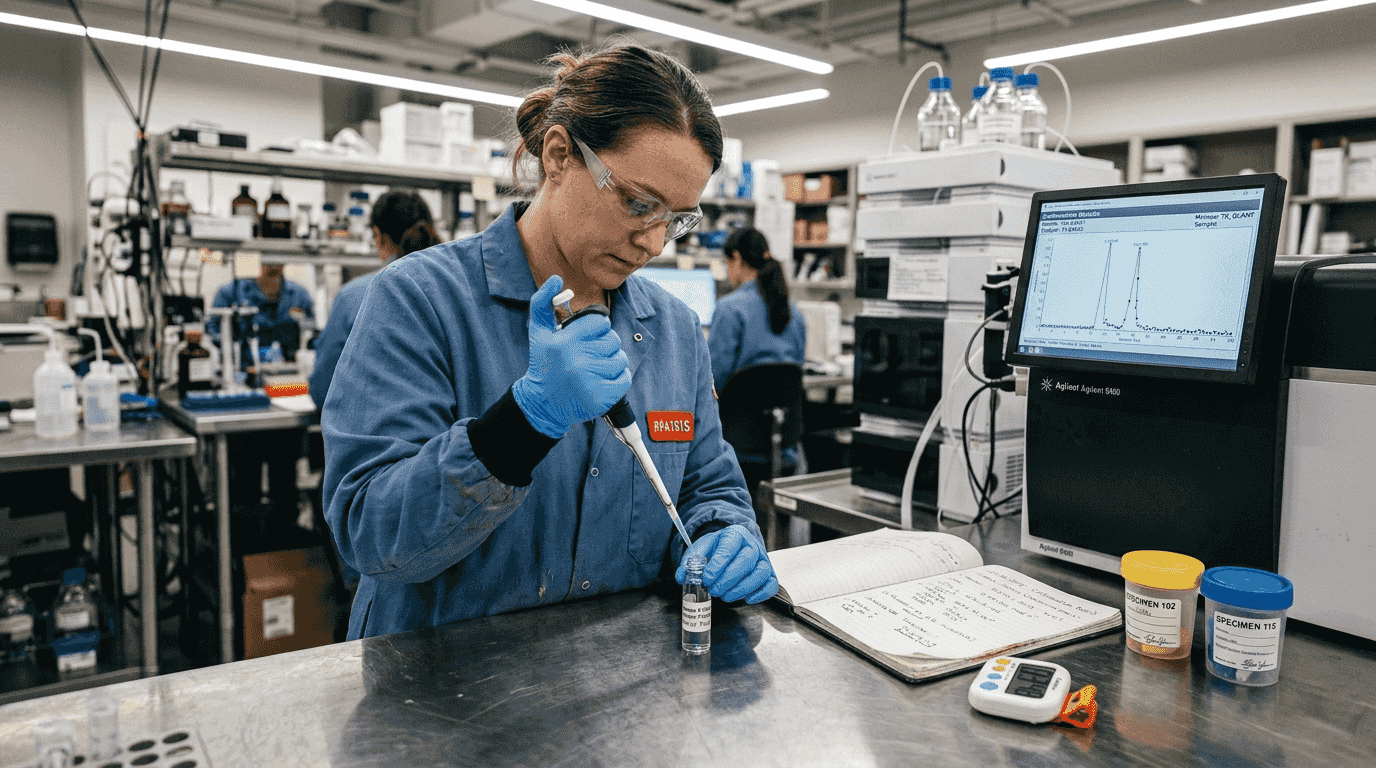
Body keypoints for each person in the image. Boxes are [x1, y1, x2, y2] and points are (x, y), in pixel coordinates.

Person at [322, 44, 778, 640]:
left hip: (612, 685)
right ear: (559, 154)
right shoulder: (418, 300)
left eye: (676, 218)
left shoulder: (673, 331)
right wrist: (521, 424)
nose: (653, 241)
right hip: (438, 697)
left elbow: (706, 484)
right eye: (639, 203)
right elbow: (371, 535)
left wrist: (725, 535)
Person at [206, 263, 314, 536]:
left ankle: (284, 541)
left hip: (288, 394)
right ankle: (245, 545)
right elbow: (213, 335)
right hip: (246, 398)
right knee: (244, 480)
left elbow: (313, 338)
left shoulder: (299, 296)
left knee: (284, 479)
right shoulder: (232, 293)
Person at [310, 190, 440, 409]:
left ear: (377, 235)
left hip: (380, 437)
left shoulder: (355, 295)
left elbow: (323, 390)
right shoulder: (454, 289)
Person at [708, 227, 808, 496]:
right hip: (783, 448)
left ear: (737, 258)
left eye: (727, 261)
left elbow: (712, 383)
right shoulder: (793, 311)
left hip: (736, 447)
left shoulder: (730, 308)